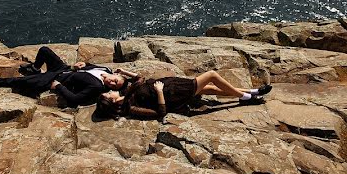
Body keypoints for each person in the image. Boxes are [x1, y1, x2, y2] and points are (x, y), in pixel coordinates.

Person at [0, 45, 129, 107]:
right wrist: (83, 65)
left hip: (57, 79)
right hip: (63, 69)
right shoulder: (106, 68)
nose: (112, 83)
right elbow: (89, 68)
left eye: (114, 86)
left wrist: (59, 87)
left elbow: (76, 99)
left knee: (20, 81)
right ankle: (35, 67)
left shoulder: (96, 87)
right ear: (115, 74)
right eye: (115, 81)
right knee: (44, 50)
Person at [96, 70, 271, 120]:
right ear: (111, 101)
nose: (109, 91)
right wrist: (159, 93)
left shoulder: (125, 92)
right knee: (211, 75)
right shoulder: (131, 107)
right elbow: (160, 113)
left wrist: (124, 72)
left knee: (209, 88)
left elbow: (141, 79)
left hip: (174, 85)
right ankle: (246, 97)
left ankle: (250, 92)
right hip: (175, 94)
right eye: (107, 94)